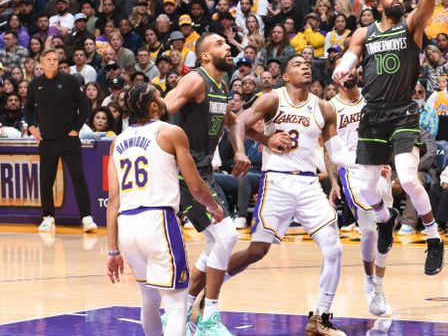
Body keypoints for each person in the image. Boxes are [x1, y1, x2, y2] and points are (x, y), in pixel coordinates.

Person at [331, 0, 448, 276]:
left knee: (408, 179)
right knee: (364, 186)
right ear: (377, 4)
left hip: (404, 112)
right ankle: (385, 219)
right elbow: (351, 54)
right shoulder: (365, 31)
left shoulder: (412, 26)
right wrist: (343, 68)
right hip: (372, 115)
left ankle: (434, 238)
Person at [224, 55, 347, 336]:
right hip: (276, 181)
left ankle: (320, 318)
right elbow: (240, 123)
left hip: (308, 185)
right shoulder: (272, 99)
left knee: (334, 248)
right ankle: (209, 289)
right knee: (257, 251)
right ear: (286, 76)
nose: (304, 66)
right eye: (296, 64)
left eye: (307, 63)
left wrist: (336, 180)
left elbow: (332, 151)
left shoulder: (325, 109)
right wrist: (250, 148)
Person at [105, 84, 224, 336]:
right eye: (160, 95)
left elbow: (113, 199)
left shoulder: (117, 142)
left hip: (127, 226)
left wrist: (112, 249)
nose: (164, 98)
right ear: (152, 106)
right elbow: (195, 185)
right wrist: (213, 206)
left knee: (148, 300)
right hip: (158, 221)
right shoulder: (170, 132)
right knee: (176, 303)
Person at [163, 33, 245, 335]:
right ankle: (208, 316)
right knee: (226, 238)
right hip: (184, 169)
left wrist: (239, 150)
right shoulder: (195, 80)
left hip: (203, 170)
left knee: (220, 240)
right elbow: (165, 105)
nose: (228, 48)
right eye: (220, 44)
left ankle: (181, 310)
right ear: (205, 56)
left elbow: (234, 121)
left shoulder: (221, 86)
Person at [329, 65, 393, 317]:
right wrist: (334, 182)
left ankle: (379, 284)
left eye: (351, 69)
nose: (347, 74)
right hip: (352, 170)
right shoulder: (330, 107)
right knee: (368, 228)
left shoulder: (374, 98)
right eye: (342, 72)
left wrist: (388, 159)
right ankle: (369, 281)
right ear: (335, 77)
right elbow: (330, 149)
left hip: (380, 167)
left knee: (384, 229)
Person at [25, 49, 97, 233]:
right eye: (48, 59)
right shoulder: (35, 85)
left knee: (78, 177)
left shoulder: (70, 80)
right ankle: (48, 217)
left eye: (55, 59)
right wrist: (32, 127)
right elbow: (28, 109)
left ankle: (86, 217)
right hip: (47, 140)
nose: (52, 62)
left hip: (69, 139)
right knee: (46, 180)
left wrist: (76, 129)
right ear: (41, 62)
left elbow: (85, 106)